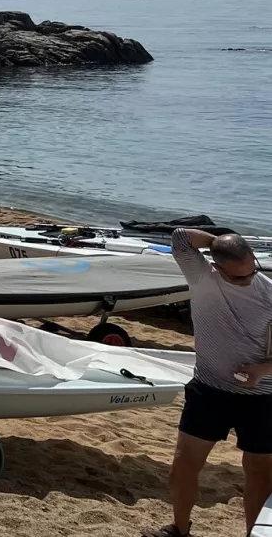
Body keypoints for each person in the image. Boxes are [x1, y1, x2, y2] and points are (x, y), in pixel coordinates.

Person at [143, 229, 272, 537]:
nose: (248, 280)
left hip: (262, 397)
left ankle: (253, 533)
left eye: (252, 271)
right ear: (216, 267)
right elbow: (180, 238)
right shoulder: (202, 277)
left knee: (260, 473)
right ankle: (180, 528)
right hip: (208, 389)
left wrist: (261, 370)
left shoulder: (269, 294)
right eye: (238, 278)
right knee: (183, 465)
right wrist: (219, 240)